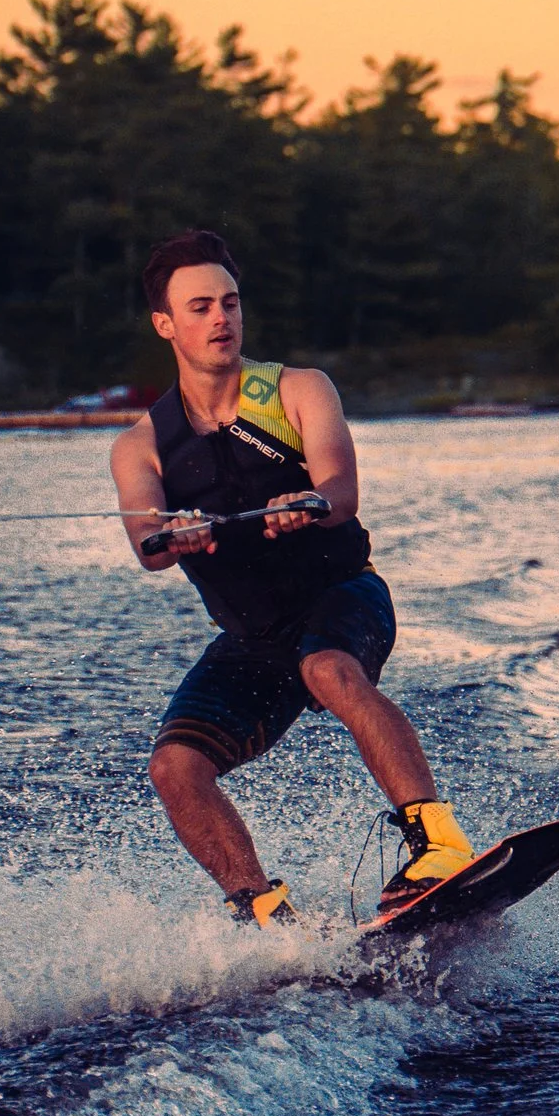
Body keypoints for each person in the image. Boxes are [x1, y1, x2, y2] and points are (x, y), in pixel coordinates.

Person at [110, 229, 473, 926]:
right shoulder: (141, 446)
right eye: (199, 307)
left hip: (342, 596)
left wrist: (306, 501)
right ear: (165, 324)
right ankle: (266, 914)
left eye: (230, 302)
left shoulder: (299, 389)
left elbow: (341, 485)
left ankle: (438, 844)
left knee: (329, 668)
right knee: (174, 769)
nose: (220, 318)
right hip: (254, 638)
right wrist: (170, 534)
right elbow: (146, 544)